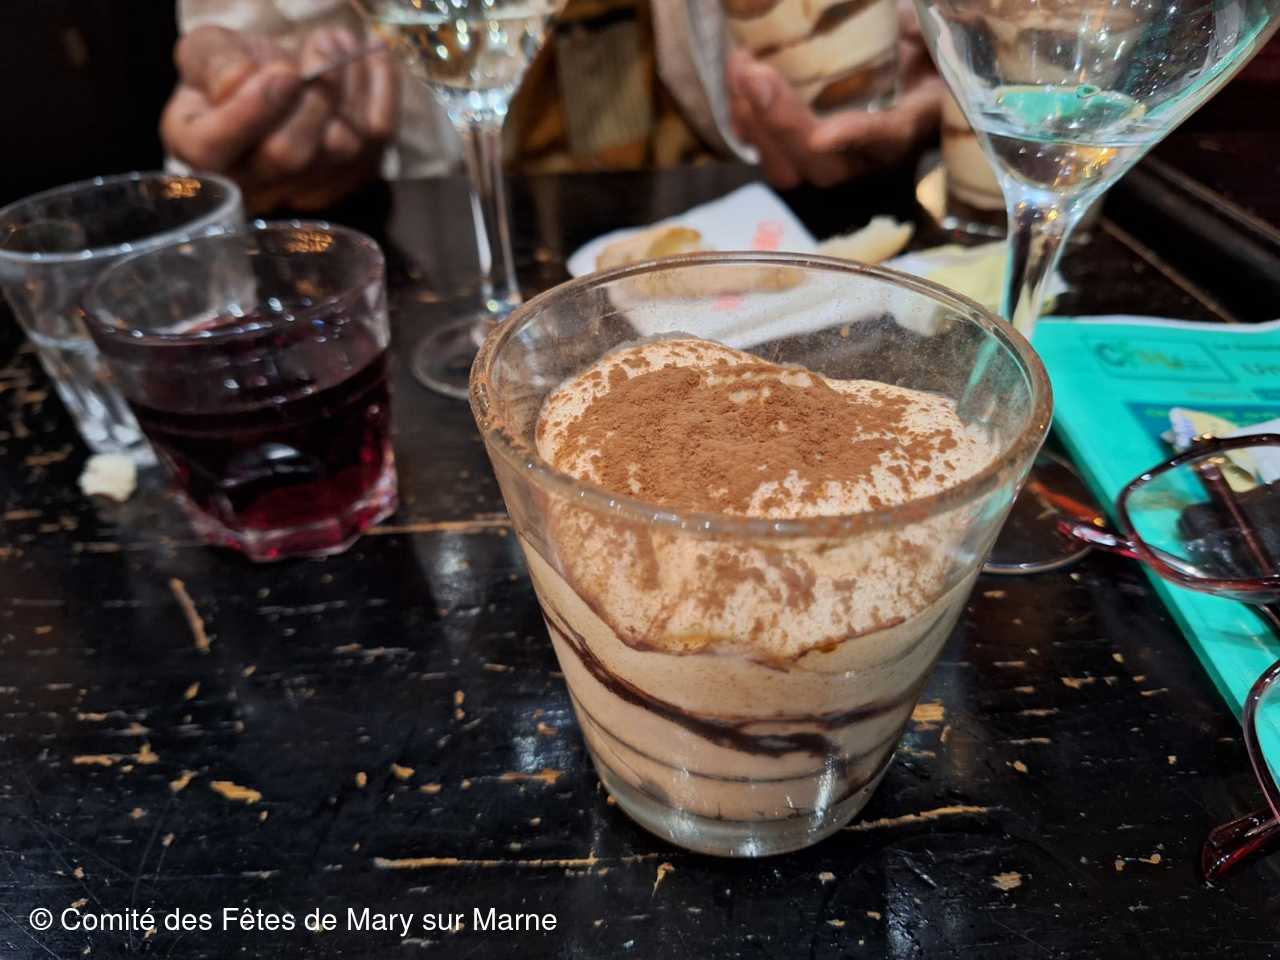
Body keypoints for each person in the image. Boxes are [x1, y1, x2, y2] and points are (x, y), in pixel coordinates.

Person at [160, 0, 943, 209]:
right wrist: (255, 139)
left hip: (769, 225)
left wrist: (931, 76)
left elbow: (938, 47)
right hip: (423, 257)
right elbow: (238, 59)